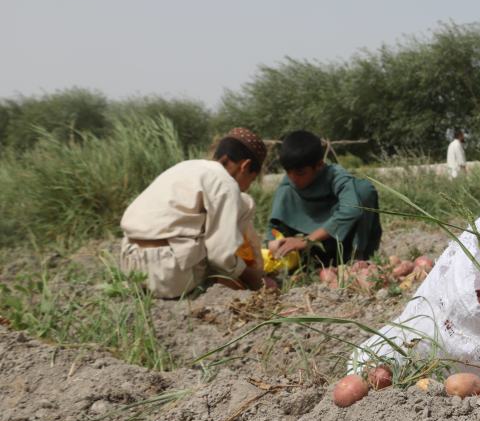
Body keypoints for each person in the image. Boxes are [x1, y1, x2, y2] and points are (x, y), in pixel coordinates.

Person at [119, 127, 269, 298]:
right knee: (246, 203)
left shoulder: (186, 166)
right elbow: (220, 256)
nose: (248, 186)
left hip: (130, 264)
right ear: (245, 166)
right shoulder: (226, 184)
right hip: (167, 275)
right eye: (252, 179)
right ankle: (221, 280)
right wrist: (251, 276)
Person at [267, 130, 382, 265]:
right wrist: (274, 245)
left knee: (363, 190)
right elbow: (274, 226)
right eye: (288, 172)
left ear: (319, 166)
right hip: (314, 252)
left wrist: (307, 241)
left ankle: (357, 258)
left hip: (343, 244)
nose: (293, 179)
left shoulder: (335, 176)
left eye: (300, 173)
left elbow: (352, 209)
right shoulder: (288, 186)